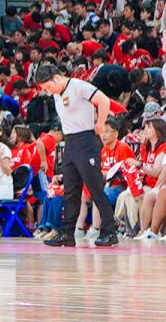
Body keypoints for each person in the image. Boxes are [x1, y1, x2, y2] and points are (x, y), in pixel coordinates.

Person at [36, 62, 118, 247]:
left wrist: (100, 124)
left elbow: (104, 100)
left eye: (48, 87)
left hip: (86, 140)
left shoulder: (79, 86)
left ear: (56, 78)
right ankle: (67, 233)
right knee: (71, 190)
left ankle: (109, 231)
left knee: (95, 187)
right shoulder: (57, 94)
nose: (49, 92)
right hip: (71, 142)